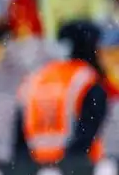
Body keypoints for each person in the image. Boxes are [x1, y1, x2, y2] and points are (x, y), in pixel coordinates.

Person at [14, 20, 110, 164]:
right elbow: (87, 132)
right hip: (80, 169)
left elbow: (20, 138)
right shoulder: (87, 80)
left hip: (35, 168)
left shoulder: (35, 78)